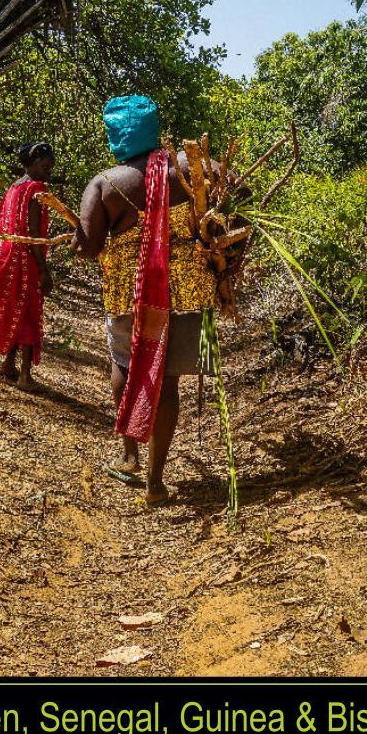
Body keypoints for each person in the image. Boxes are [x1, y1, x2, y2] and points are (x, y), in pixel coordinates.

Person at [72, 96, 219, 506]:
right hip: (191, 294)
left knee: (126, 363)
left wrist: (76, 239)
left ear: (116, 134)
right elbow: (236, 189)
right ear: (153, 130)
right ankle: (156, 479)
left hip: (130, 296)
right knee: (167, 378)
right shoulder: (192, 169)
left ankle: (130, 455)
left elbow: (89, 245)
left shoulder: (105, 183)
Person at [0, 142, 55, 391]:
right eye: (45, 166)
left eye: (50, 168)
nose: (48, 172)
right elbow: (34, 233)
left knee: (15, 306)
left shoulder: (14, 188)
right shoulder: (36, 189)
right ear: (32, 164)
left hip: (4, 258)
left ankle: (8, 365)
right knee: (28, 311)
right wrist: (44, 269)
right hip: (25, 260)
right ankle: (25, 376)